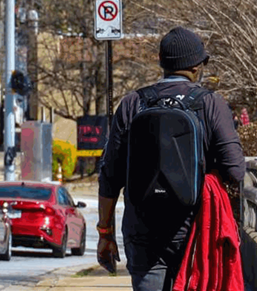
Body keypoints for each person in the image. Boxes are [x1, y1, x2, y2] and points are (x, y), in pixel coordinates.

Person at [96, 27, 245, 291]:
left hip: (142, 230)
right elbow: (235, 169)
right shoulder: (210, 103)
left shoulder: (133, 103)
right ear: (198, 67)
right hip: (195, 229)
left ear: (161, 62)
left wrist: (105, 232)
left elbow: (109, 175)